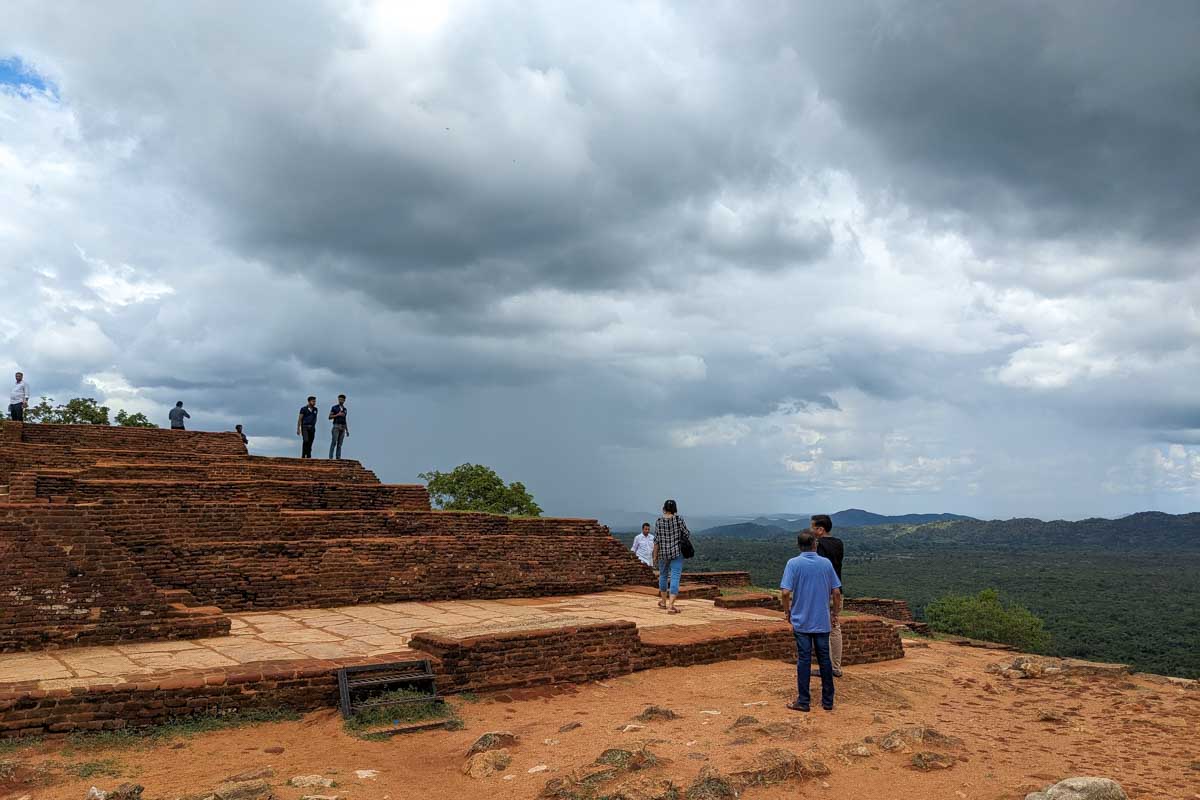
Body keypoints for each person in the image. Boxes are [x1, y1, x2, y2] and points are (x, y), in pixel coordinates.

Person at [779, 530, 842, 712]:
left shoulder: (793, 563)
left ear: (799, 546)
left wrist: (787, 611)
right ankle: (828, 701)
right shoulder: (826, 563)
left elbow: (785, 592)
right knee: (824, 660)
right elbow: (836, 592)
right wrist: (835, 613)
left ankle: (804, 701)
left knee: (804, 659)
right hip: (822, 620)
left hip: (801, 620)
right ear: (815, 544)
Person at [811, 514, 846, 677]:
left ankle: (827, 667)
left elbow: (820, 569)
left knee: (822, 631)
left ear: (820, 529)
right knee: (835, 628)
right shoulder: (839, 543)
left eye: (813, 527)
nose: (812, 530)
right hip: (837, 590)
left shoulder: (819, 546)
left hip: (824, 593)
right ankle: (836, 667)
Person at [651, 499, 690, 615]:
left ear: (664, 508)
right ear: (675, 509)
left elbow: (656, 540)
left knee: (663, 576)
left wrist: (654, 556)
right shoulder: (678, 520)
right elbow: (686, 534)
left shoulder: (659, 521)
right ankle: (671, 605)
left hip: (663, 553)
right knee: (675, 576)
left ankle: (663, 602)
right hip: (677, 552)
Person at [328, 394, 349, 459]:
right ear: (338, 399)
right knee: (334, 442)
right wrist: (337, 414)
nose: (341, 400)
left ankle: (338, 457)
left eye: (342, 399)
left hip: (343, 427)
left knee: (340, 444)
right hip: (336, 426)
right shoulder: (334, 407)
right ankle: (330, 457)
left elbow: (345, 419)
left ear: (344, 400)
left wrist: (347, 430)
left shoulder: (345, 409)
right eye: (340, 399)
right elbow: (330, 417)